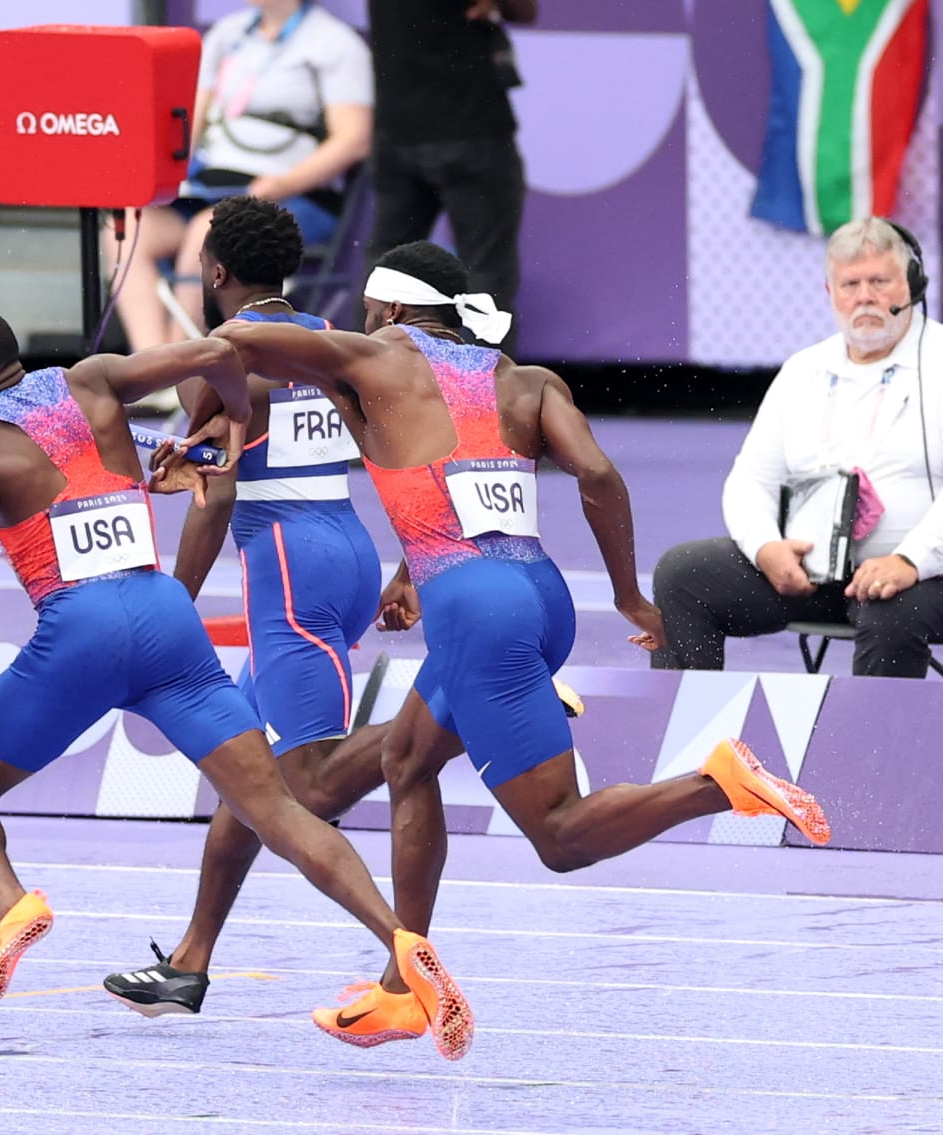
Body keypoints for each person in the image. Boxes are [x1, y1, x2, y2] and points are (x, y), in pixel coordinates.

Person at [210, 240, 832, 1047]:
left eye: (369, 311)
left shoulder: (375, 356)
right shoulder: (524, 380)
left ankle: (714, 784)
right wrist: (628, 594)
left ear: (393, 311)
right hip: (542, 595)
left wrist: (187, 410)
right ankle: (405, 982)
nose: (363, 323)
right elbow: (597, 476)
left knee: (561, 837)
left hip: (476, 615)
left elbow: (243, 339)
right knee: (407, 761)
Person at [0, 307, 474, 1061]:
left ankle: (12, 907)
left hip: (78, 630)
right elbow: (217, 350)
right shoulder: (94, 378)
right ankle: (402, 942)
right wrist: (234, 415)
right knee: (272, 803)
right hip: (164, 615)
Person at [102, 195, 392, 1016]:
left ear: (214, 271)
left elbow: (214, 495)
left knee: (305, 783)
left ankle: (406, 952)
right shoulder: (325, 343)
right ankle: (189, 962)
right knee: (247, 779)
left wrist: (174, 601)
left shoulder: (225, 355)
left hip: (290, 571)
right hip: (349, 548)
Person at [652, 217, 943, 678]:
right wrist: (767, 547)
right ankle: (693, 739)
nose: (864, 297)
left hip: (922, 576)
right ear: (830, 294)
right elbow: (751, 479)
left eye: (879, 282)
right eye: (850, 284)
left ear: (912, 285)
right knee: (684, 575)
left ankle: (871, 751)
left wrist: (911, 560)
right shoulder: (803, 370)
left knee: (892, 614)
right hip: (813, 574)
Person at [108, 0, 372, 358]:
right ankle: (149, 360)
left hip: (292, 196)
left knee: (210, 232)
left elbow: (353, 140)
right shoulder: (227, 36)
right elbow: (187, 126)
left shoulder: (336, 44)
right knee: (127, 228)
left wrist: (282, 184)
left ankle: (179, 362)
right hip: (210, 187)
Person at [363, 0, 535, 345]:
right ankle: (484, 391)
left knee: (384, 269)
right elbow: (524, 10)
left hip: (398, 127)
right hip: (471, 128)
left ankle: (363, 387)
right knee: (485, 270)